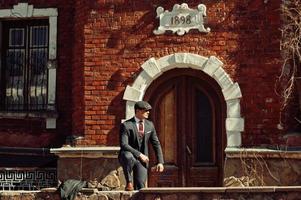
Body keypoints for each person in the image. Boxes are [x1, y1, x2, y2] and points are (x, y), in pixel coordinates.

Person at [118, 101, 164, 191]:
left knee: (141, 187)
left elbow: (156, 143)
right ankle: (129, 182)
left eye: (148, 110)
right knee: (127, 156)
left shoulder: (149, 125)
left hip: (142, 161)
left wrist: (160, 162)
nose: (148, 112)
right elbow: (124, 144)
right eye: (145, 110)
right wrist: (139, 154)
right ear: (138, 111)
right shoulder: (126, 125)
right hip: (129, 156)